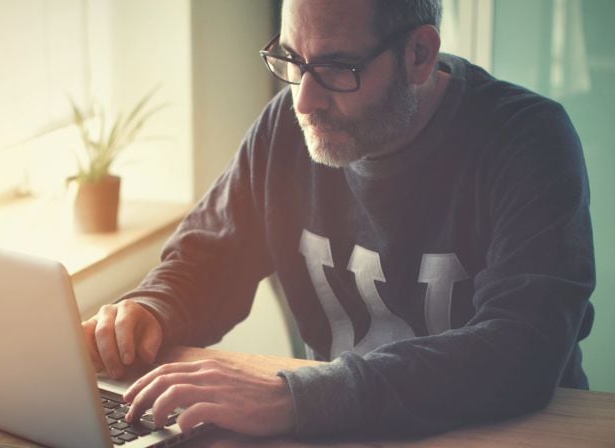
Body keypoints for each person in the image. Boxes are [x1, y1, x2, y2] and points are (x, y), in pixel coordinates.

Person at [82, 0, 595, 439]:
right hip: (346, 433)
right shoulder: (284, 127)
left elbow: (522, 349)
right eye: (292, 60)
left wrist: (294, 399)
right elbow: (208, 260)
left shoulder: (528, 141)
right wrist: (150, 311)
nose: (303, 99)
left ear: (418, 55)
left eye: (336, 68)